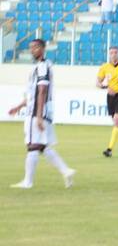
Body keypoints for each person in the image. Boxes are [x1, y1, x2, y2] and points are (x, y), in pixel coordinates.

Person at [9, 39, 76, 189]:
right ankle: (66, 171)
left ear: (43, 49)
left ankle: (28, 182)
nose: (32, 50)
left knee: (33, 146)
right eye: (31, 47)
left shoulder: (42, 67)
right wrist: (19, 106)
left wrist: (38, 116)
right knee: (41, 146)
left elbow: (42, 91)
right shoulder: (41, 67)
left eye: (35, 47)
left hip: (37, 113)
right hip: (39, 111)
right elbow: (34, 93)